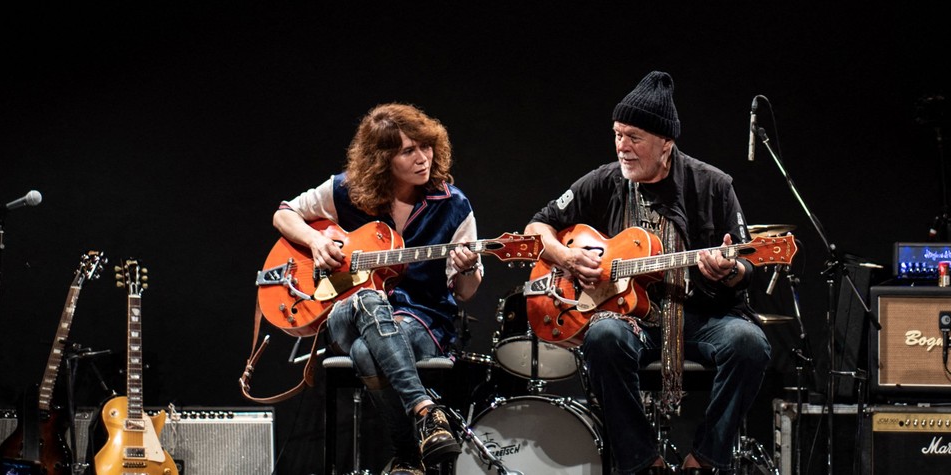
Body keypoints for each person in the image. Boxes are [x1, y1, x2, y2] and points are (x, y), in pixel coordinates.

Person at [524, 71, 771, 475]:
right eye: (618, 134)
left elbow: (747, 265)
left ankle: (706, 460)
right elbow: (538, 226)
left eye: (634, 137)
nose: (622, 147)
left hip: (699, 317)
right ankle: (641, 463)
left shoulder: (713, 186)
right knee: (603, 336)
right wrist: (567, 260)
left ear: (666, 143)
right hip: (628, 318)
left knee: (749, 343)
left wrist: (728, 271)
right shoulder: (605, 180)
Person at [274, 103, 483, 475]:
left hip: (422, 318)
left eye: (426, 146)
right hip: (343, 313)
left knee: (364, 352)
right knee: (367, 298)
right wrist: (316, 242)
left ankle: (406, 455)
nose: (423, 159)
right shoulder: (345, 191)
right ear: (381, 159)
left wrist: (467, 268)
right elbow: (284, 213)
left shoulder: (453, 205)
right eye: (408, 151)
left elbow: (465, 292)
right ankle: (425, 412)